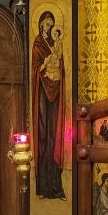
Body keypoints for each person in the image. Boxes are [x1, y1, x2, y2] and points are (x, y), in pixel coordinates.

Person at [31, 11, 66, 199]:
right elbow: (35, 70)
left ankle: (56, 187)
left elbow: (61, 68)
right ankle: (42, 188)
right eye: (47, 24)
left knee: (53, 135)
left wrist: (56, 64)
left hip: (55, 92)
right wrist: (44, 64)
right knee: (43, 134)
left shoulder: (55, 44)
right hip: (42, 94)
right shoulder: (38, 44)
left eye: (52, 25)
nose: (50, 27)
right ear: (40, 25)